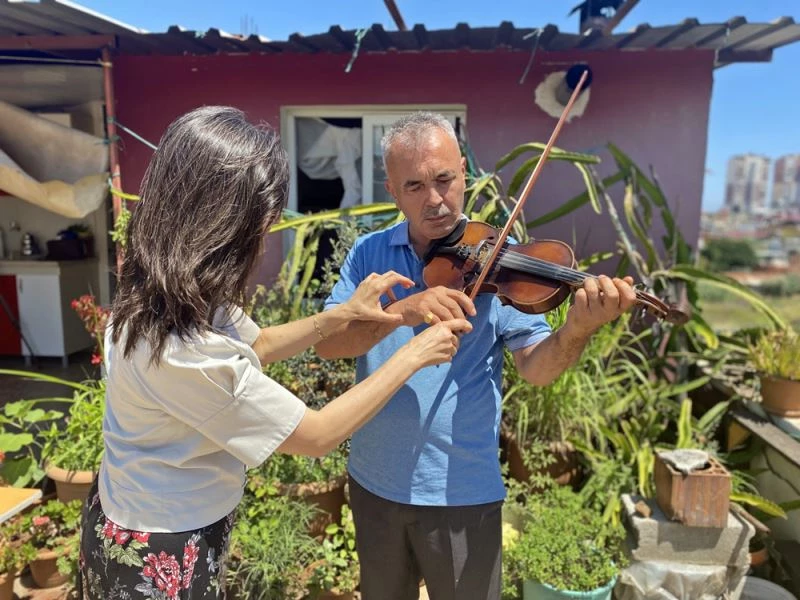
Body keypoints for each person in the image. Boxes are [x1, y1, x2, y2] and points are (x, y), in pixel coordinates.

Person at [77, 106, 472, 600]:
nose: (262, 240)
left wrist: (339, 316)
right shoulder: (183, 351)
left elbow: (257, 342)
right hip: (160, 549)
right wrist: (413, 354)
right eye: (256, 226)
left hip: (138, 516)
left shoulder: (166, 296)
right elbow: (317, 434)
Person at [316, 111, 637, 600]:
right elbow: (327, 341)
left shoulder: (500, 260)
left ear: (463, 171)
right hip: (374, 483)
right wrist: (402, 311)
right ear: (393, 191)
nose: (435, 199)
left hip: (462, 493)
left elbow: (537, 367)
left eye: (444, 179)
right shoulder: (367, 253)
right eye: (415, 185)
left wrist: (577, 328)